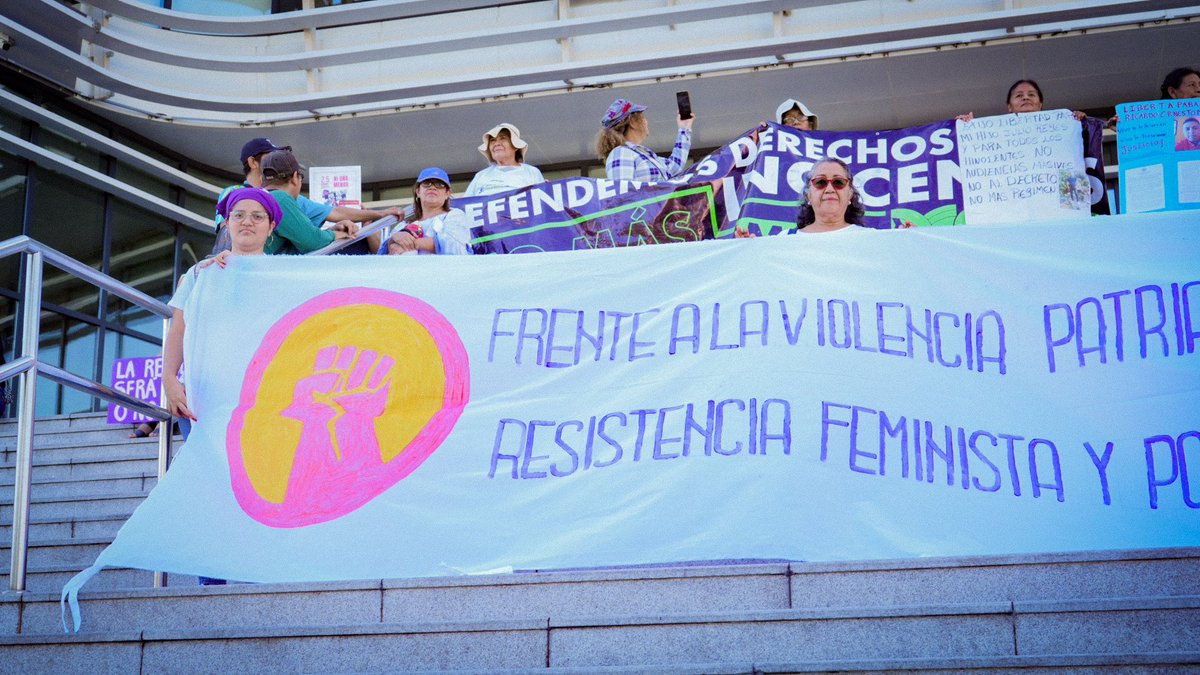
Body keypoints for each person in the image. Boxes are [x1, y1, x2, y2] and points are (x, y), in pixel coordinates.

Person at [166, 186, 280, 586]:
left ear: (270, 228)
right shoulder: (199, 275)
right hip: (207, 399)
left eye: (257, 216)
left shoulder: (286, 275)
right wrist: (169, 380)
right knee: (211, 485)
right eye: (239, 215)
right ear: (226, 223)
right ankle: (212, 578)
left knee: (261, 484)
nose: (247, 222)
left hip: (263, 403)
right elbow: (178, 329)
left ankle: (256, 574)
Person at [213, 138, 402, 254]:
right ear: (296, 178)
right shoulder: (279, 199)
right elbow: (311, 241)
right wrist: (336, 233)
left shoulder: (261, 196)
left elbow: (304, 236)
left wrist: (335, 228)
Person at [379, 167, 474, 256]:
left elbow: (455, 246)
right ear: (418, 191)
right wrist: (392, 240)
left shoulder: (455, 215)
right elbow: (383, 255)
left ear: (447, 194)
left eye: (439, 185)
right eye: (427, 183)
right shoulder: (402, 225)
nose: (432, 187)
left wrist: (408, 242)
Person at [596, 98, 693, 182]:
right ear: (633, 122)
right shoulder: (620, 153)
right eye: (643, 117)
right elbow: (623, 196)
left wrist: (684, 129)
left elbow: (674, 166)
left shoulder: (642, 154)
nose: (646, 122)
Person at [464, 124, 545, 197]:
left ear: (515, 146)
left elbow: (543, 204)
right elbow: (464, 207)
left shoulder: (531, 172)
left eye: (503, 138)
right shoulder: (480, 176)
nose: (496, 143)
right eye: (492, 140)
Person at [958, 79, 1087, 122]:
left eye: (1031, 94)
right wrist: (965, 128)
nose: (1026, 97)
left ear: (1040, 104)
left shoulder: (1063, 126)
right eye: (1019, 96)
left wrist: (1081, 123)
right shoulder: (995, 133)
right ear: (1009, 106)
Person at [795, 158, 868, 234]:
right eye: (820, 182)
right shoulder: (786, 238)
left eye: (838, 182)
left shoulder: (871, 238)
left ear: (850, 195)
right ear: (808, 196)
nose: (830, 189)